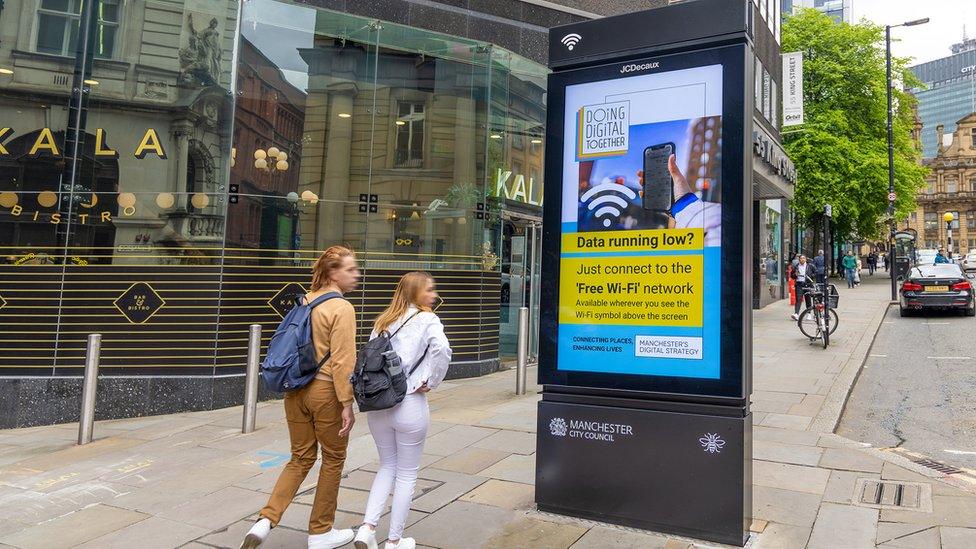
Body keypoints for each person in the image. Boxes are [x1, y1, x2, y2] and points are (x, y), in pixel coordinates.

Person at [241, 246, 360, 549]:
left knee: (300, 457)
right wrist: (347, 403)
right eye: (350, 269)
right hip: (324, 392)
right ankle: (321, 531)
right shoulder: (342, 308)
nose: (356, 274)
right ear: (333, 273)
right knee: (333, 458)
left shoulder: (304, 301)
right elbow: (344, 362)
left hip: (294, 391)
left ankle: (264, 522)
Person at [354, 272, 452, 549]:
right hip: (409, 402)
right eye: (429, 290)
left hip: (378, 404)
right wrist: (431, 381)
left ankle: (367, 528)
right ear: (415, 294)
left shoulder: (382, 322)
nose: (434, 294)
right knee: (407, 474)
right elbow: (442, 350)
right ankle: (394, 541)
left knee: (386, 465)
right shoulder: (428, 319)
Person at [790, 254, 815, 320]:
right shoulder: (796, 266)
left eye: (804, 258)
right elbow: (791, 276)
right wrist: (795, 275)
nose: (802, 259)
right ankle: (796, 314)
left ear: (806, 259)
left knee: (808, 299)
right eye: (801, 258)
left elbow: (815, 272)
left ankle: (809, 314)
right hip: (799, 284)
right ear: (799, 259)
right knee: (798, 299)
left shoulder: (810, 266)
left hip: (807, 284)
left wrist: (811, 276)